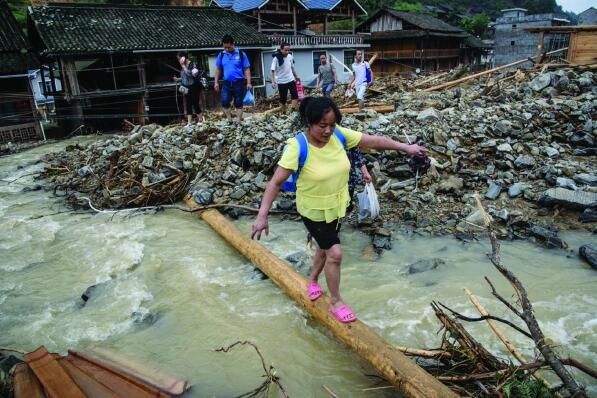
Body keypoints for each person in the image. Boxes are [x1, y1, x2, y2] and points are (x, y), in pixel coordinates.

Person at [251, 97, 427, 323]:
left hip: (337, 207)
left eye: (331, 124)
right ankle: (336, 301)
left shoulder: (340, 135)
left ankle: (313, 279)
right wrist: (262, 215)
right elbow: (275, 182)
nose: (327, 130)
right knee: (335, 253)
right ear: (308, 122)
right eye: (321, 125)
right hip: (312, 210)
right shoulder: (297, 146)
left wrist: (405, 147)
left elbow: (374, 141)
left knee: (324, 248)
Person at [214, 34, 252, 125]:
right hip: (226, 83)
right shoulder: (221, 55)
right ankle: (230, 120)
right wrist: (216, 82)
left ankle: (238, 121)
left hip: (238, 83)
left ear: (233, 44)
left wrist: (248, 82)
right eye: (225, 47)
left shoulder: (241, 54)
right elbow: (218, 69)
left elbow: (246, 69)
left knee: (238, 103)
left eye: (228, 47)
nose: (226, 49)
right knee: (225, 102)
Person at [173, 51, 203, 129]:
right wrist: (178, 79)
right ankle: (189, 122)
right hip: (186, 86)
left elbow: (191, 74)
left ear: (184, 57)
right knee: (188, 104)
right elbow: (184, 77)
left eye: (179, 58)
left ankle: (201, 119)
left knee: (195, 103)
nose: (179, 60)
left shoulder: (192, 64)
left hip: (194, 86)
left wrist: (183, 66)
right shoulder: (182, 66)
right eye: (178, 59)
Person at [270, 43, 299, 112]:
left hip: (291, 79)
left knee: (295, 95)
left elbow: (292, 68)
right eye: (285, 50)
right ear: (281, 50)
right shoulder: (276, 59)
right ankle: (283, 112)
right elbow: (272, 71)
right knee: (283, 99)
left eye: (288, 50)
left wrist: (296, 76)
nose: (287, 52)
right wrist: (273, 81)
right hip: (281, 81)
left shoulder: (290, 57)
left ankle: (293, 110)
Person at [346, 147, 372, 214]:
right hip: (330, 179)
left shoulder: (348, 139)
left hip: (349, 176)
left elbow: (357, 155)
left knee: (348, 204)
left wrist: (365, 173)